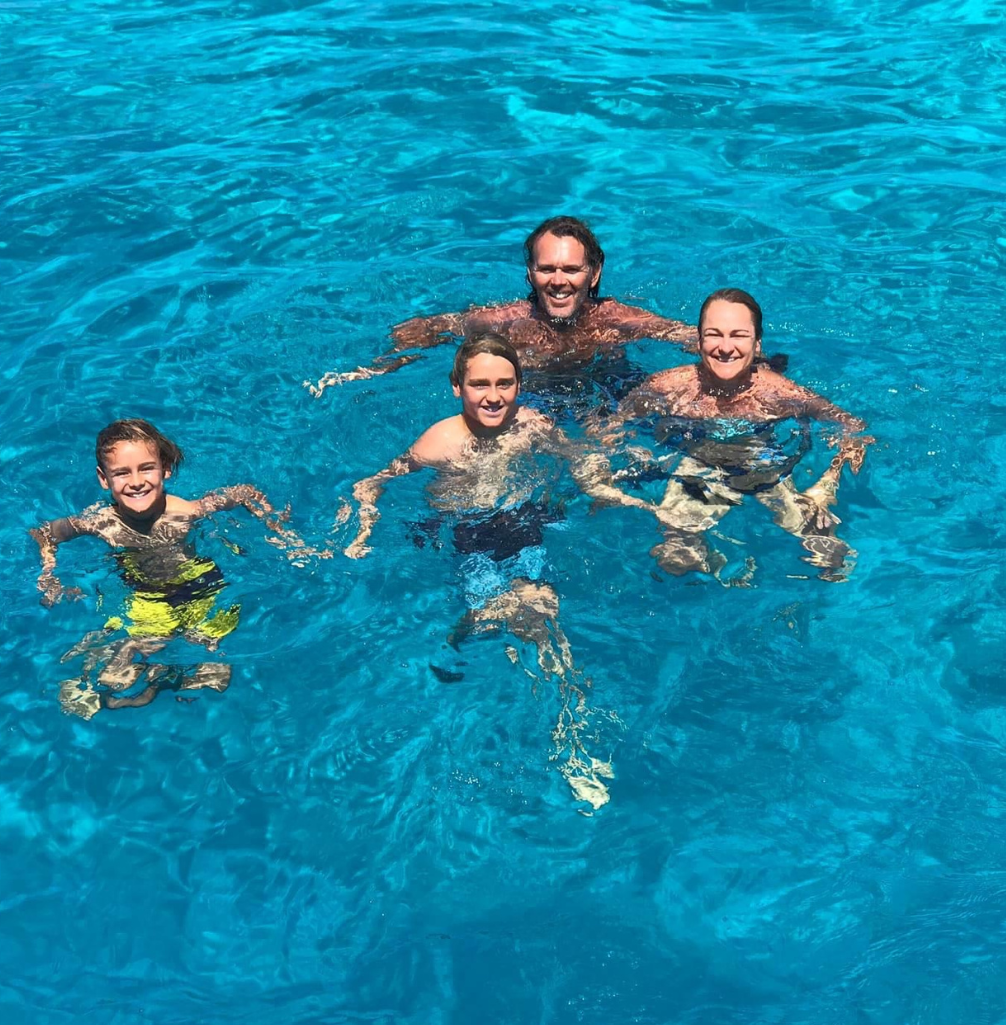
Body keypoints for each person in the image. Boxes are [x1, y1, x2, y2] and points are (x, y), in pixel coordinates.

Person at [342, 332, 650, 810]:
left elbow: (579, 458)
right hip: (471, 537)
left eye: (504, 383)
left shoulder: (533, 425)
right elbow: (372, 483)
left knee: (539, 617)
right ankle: (570, 730)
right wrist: (360, 532)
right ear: (456, 387)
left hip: (527, 525)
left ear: (519, 384)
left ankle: (570, 727)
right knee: (527, 618)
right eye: (479, 384)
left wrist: (607, 485)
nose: (492, 396)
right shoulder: (439, 442)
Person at [31, 418, 321, 717]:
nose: (136, 481)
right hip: (145, 596)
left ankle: (165, 679)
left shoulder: (186, 512)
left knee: (212, 677)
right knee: (116, 677)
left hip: (202, 588)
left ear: (165, 469)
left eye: (146, 468)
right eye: (121, 473)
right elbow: (43, 533)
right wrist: (48, 575)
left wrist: (278, 527)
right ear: (104, 478)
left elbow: (245, 492)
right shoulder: (100, 524)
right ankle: (145, 685)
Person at [595, 288, 872, 581]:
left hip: (764, 463)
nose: (725, 347)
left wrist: (827, 483)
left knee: (831, 560)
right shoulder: (667, 387)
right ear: (699, 341)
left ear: (756, 343)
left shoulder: (779, 393)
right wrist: (601, 466)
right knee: (673, 560)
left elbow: (854, 428)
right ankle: (720, 567)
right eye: (715, 334)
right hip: (700, 464)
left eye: (738, 335)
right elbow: (610, 426)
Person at [306, 216, 698, 399]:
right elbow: (426, 329)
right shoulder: (505, 320)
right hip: (533, 399)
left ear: (593, 273)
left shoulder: (616, 317)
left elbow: (688, 336)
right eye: (546, 268)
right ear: (530, 274)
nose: (558, 280)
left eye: (571, 269)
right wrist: (377, 368)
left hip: (608, 386)